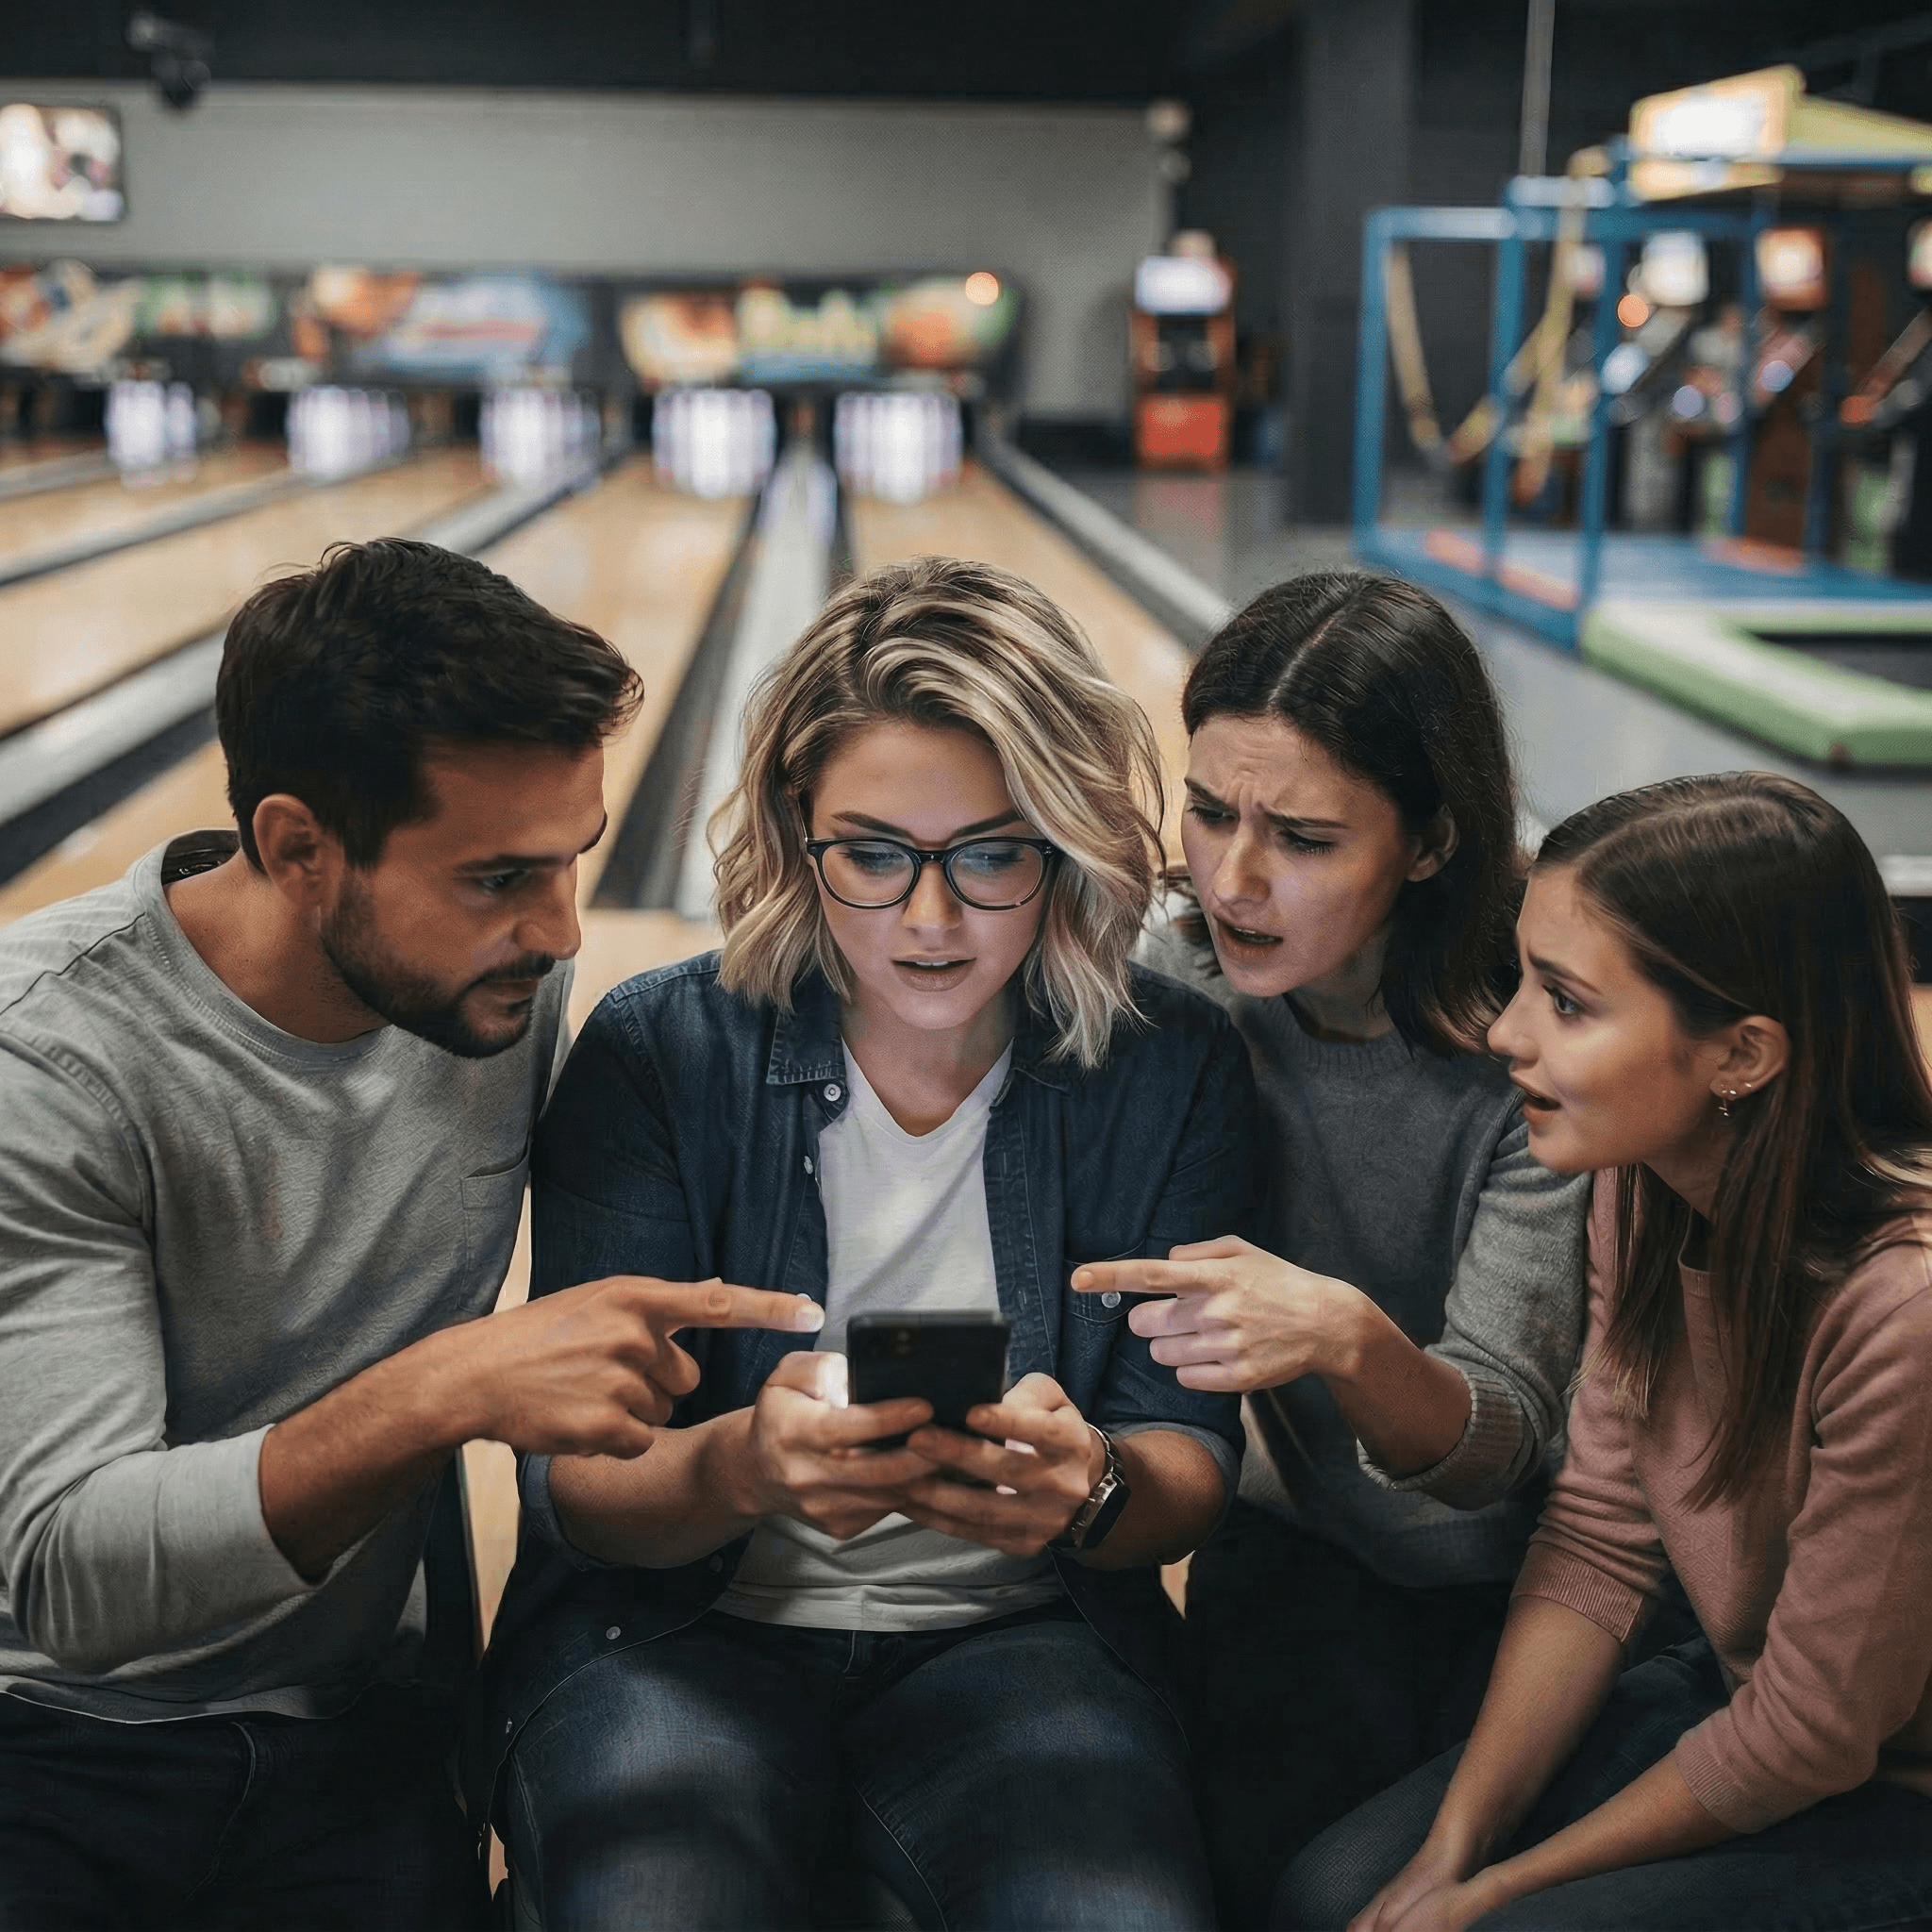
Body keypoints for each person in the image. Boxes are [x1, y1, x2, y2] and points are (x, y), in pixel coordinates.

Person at [0, 538, 821, 1932]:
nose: (562, 930)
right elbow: (73, 1579)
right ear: (298, 850)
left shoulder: (486, 988)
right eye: (500, 877)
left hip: (354, 1740)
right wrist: (448, 1387)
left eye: (579, 860)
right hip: (52, 1742)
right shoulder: (51, 1066)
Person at [467, 556, 1259, 1932]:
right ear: (797, 830)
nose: (931, 920)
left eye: (993, 853)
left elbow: (1189, 1461)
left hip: (1024, 1639)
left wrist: (1093, 1493)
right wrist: (739, 1464)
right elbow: (579, 1494)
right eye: (875, 854)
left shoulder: (1166, 1062)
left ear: (1061, 841)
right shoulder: (662, 1052)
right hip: (673, 1642)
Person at [1279, 771, 1932, 1932]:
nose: (1503, 1031)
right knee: (1332, 1892)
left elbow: (1812, 1730)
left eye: (1567, 1002)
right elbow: (1596, 1542)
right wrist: (1451, 1847)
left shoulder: (1903, 1312)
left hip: (1890, 1782)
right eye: (1523, 977)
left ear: (1741, 1053)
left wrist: (1499, 1888)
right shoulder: (1641, 1185)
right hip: (1741, 1696)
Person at [1082, 573, 1593, 1925]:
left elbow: (1501, 1448)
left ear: (1428, 844)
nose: (1234, 880)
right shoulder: (1176, 976)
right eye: (1207, 812)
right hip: (1298, 1556)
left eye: (1303, 838)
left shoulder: (1528, 1061)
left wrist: (1348, 1337)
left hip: (1536, 1595)